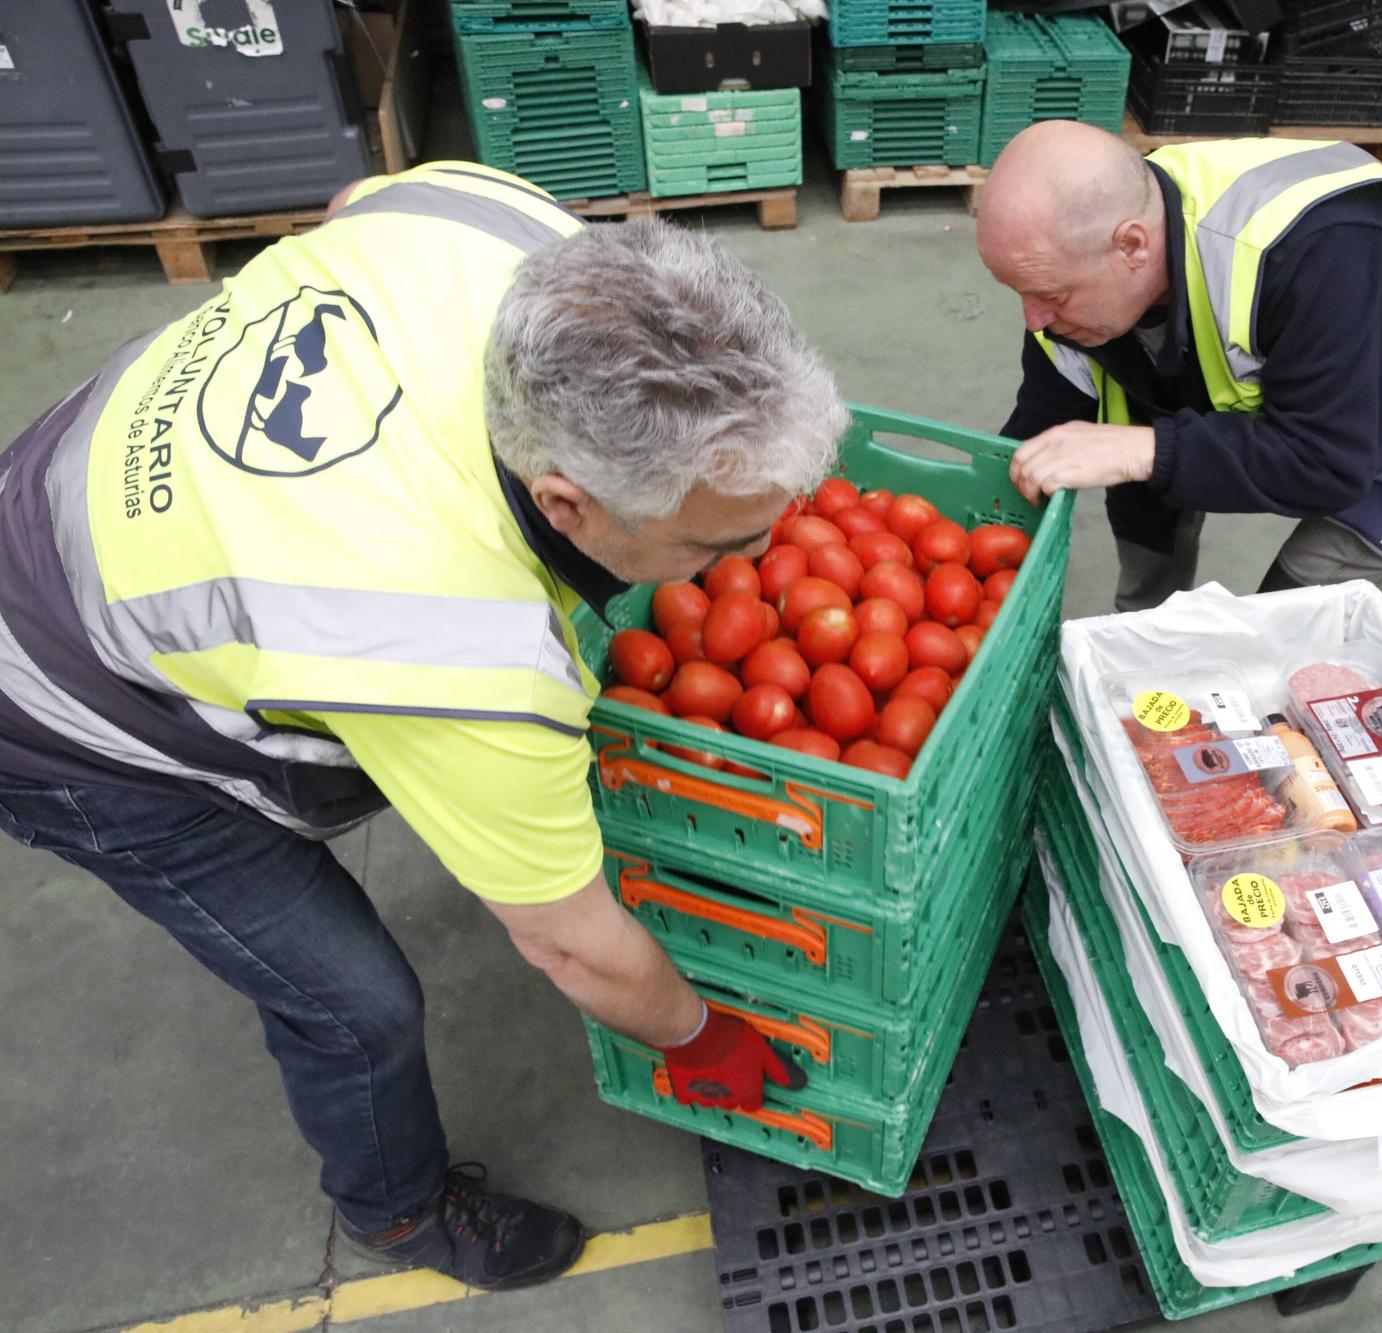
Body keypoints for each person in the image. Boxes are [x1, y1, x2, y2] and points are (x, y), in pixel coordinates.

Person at [0, 161, 847, 1290]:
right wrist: (702, 1038)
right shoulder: (447, 643)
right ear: (565, 504)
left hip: (68, 480)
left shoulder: (499, 229)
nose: (739, 567)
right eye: (706, 548)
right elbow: (569, 947)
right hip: (57, 706)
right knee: (354, 1004)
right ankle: (394, 1213)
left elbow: (361, 200)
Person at [979, 121, 1382, 611]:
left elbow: (1326, 463)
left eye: (1051, 294)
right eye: (1021, 293)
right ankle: (1146, 632)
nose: (1034, 319)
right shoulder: (1084, 258)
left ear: (1132, 247)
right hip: (1310, 353)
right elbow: (1046, 430)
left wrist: (1140, 449)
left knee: (1299, 601)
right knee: (1134, 462)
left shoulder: (1318, 247)